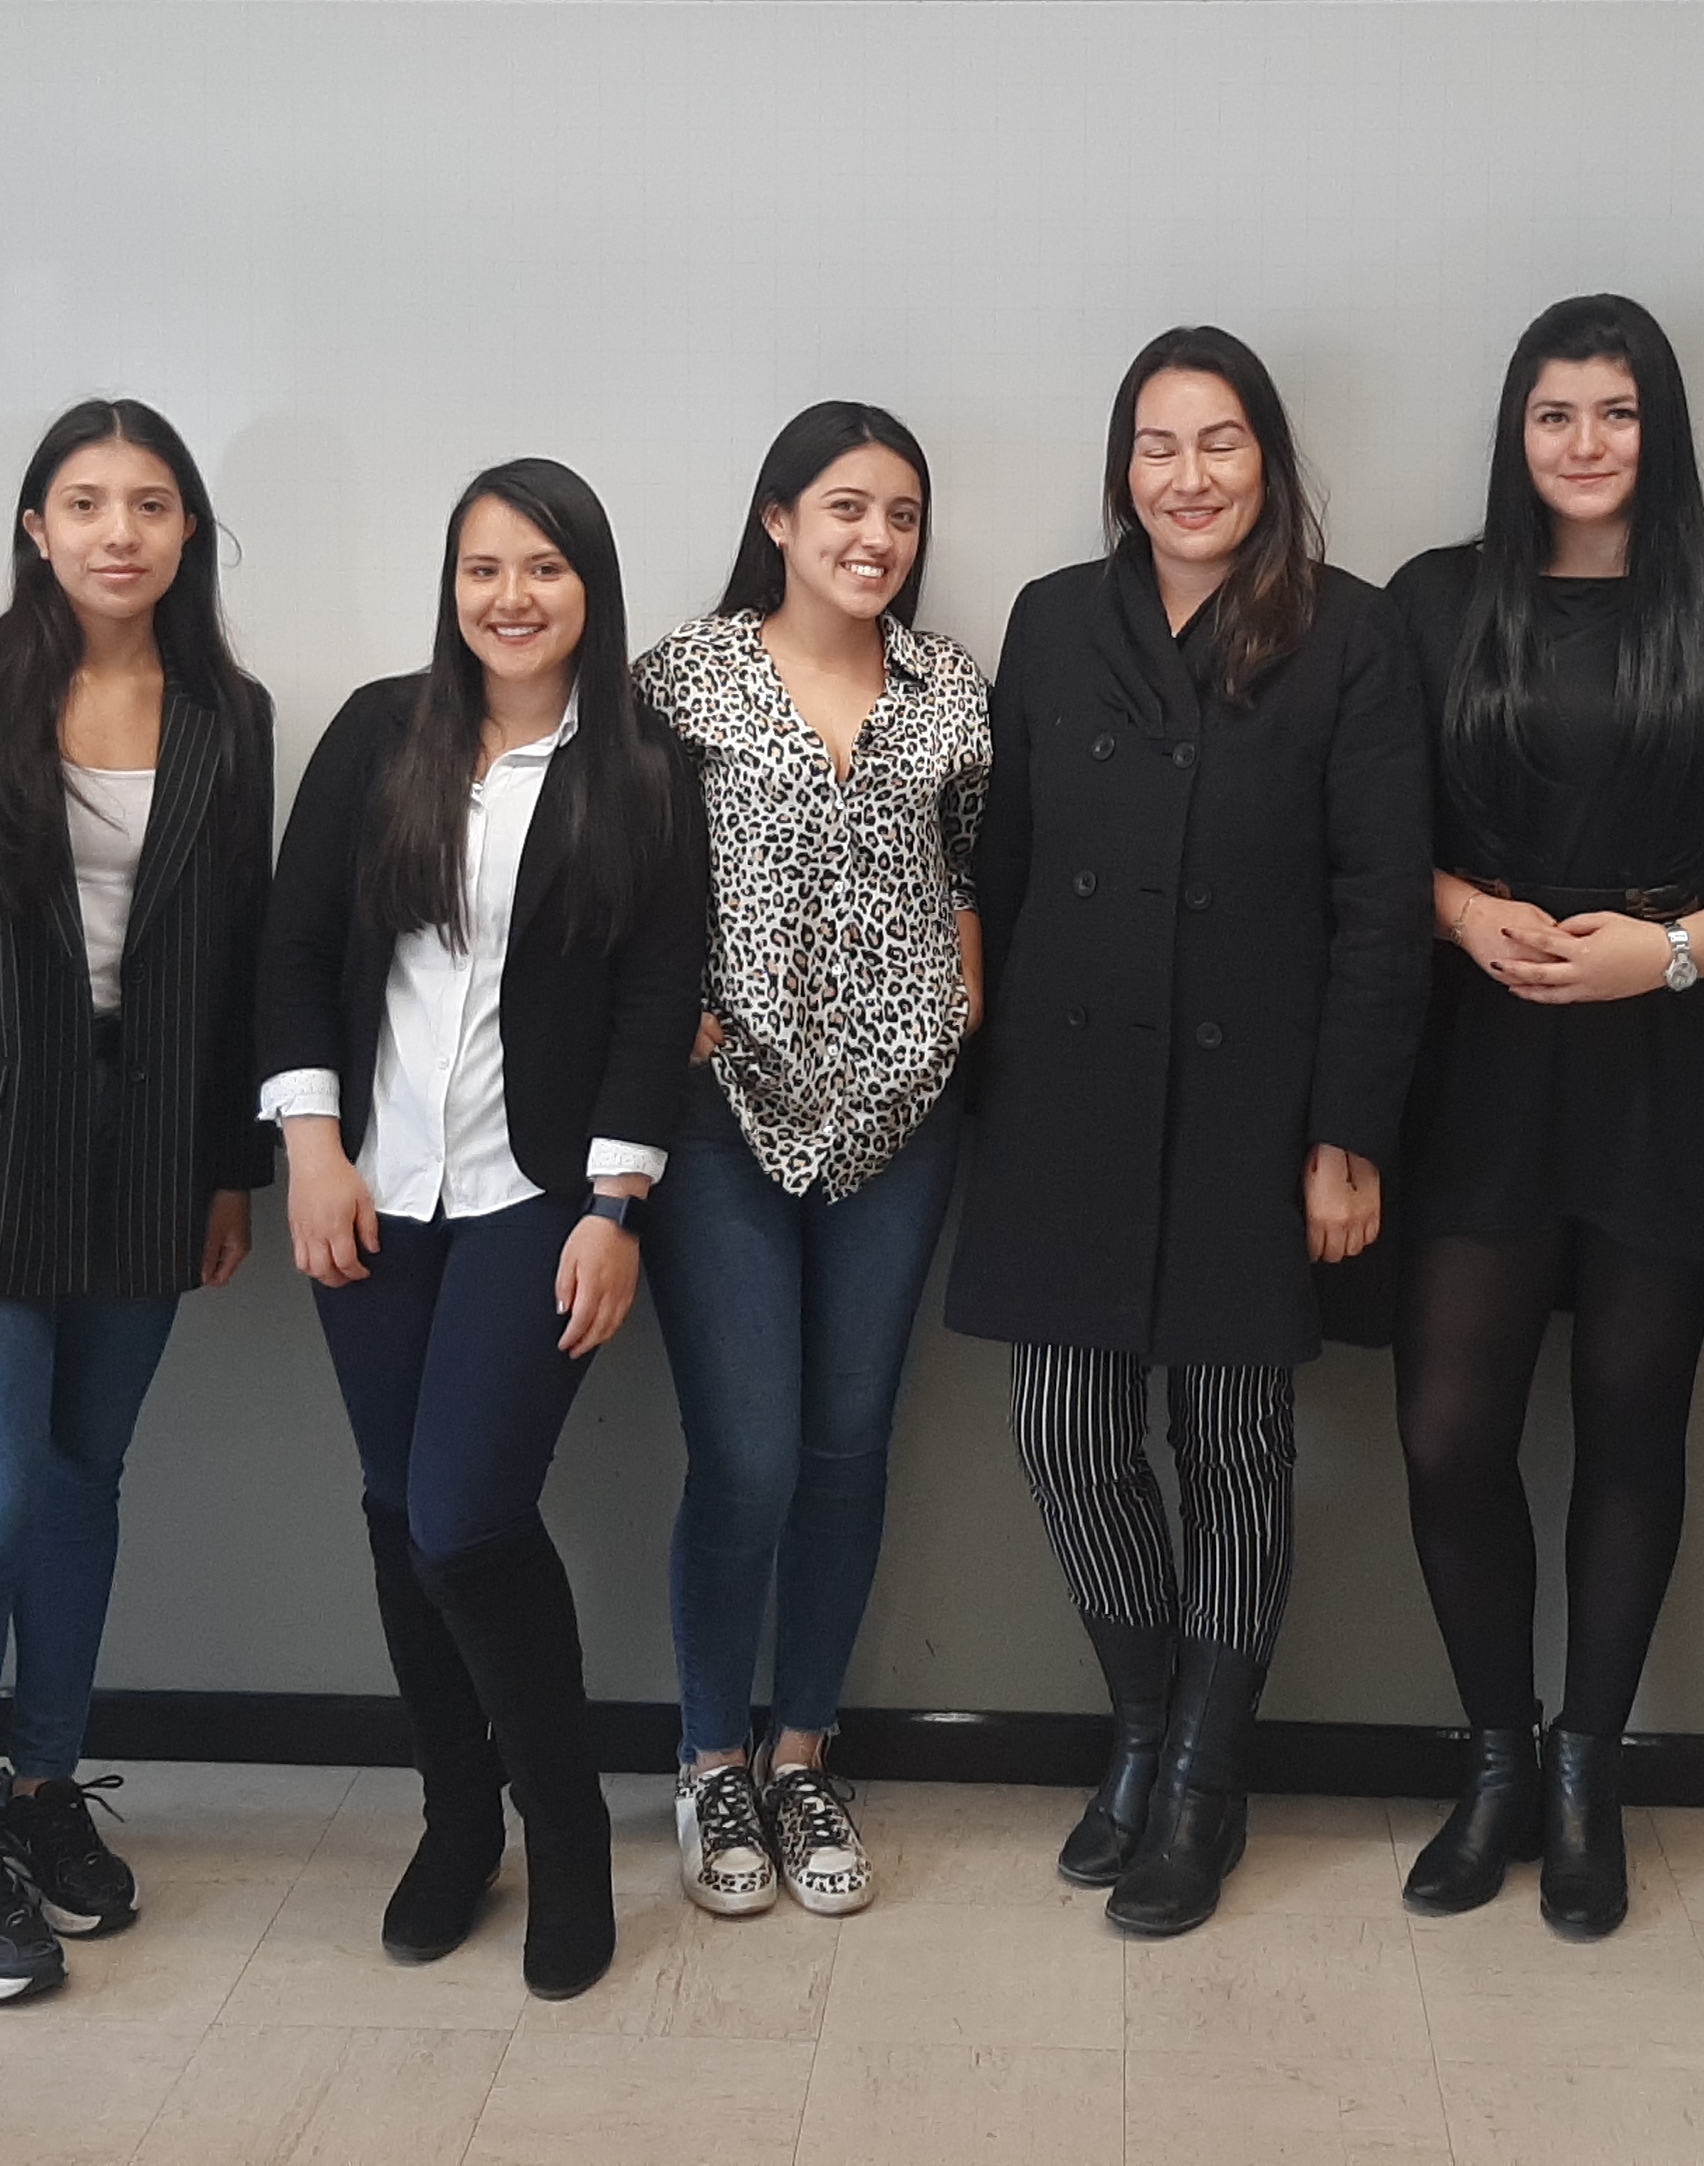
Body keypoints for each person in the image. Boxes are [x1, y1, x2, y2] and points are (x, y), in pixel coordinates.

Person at [945, 324, 1429, 1940]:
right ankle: (1146, 1726)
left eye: (1220, 442)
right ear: (1122, 469)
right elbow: (1006, 864)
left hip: (1252, 1107)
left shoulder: (1350, 632)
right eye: (1158, 446)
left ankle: (1206, 1779)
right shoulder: (1052, 618)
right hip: (1065, 1098)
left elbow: (1380, 907)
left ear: (1268, 462)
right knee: (1065, 1437)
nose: (1189, 475)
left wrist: (1346, 1136)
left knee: (1233, 1446)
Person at [1384, 297, 1704, 1937]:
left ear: (1665, 430)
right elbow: (1365, 833)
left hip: (1680, 1054)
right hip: (1478, 1059)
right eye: (1556, 412)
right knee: (1449, 1432)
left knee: (1634, 1418)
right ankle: (1496, 1757)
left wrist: (1671, 953)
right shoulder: (1433, 605)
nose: (1586, 443)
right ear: (1516, 430)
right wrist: (1457, 913)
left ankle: (1589, 1771)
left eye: (1618, 412)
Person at [259, 458, 705, 2003]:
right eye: (482, 569)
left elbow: (658, 999)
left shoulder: (645, 766)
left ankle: (562, 1831)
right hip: (370, 1188)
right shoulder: (380, 734)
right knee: (398, 1510)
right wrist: (312, 1149)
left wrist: (616, 1208)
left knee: (463, 1516)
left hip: (539, 1196)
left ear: (592, 586)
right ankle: (459, 1821)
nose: (511, 597)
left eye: (544, 568)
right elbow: (294, 949)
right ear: (451, 588)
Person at [0, 397, 275, 2006]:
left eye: (151, 504)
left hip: (150, 1168)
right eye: (87, 502)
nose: (120, 531)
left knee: (87, 1482)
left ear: (188, 533)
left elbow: (234, 962)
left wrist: (229, 1170)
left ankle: (44, 1791)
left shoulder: (229, 714)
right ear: (36, 528)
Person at [634, 403, 991, 1923]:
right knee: (751, 1455)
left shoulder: (950, 691)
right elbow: (621, 860)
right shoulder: (683, 679)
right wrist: (661, 1010)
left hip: (903, 1118)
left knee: (849, 1444)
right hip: (722, 1116)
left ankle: (801, 1754)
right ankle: (712, 1757)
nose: (876, 538)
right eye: (846, 507)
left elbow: (974, 858)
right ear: (778, 519)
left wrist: (964, 984)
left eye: (901, 514)